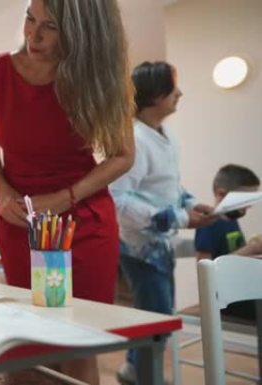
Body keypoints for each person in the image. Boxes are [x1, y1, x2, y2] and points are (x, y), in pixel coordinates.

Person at [0, 0, 135, 382]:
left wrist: (65, 197)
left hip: (83, 222)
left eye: (51, 27)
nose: (33, 35)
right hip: (21, 222)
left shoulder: (98, 76)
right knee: (28, 343)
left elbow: (123, 155)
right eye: (30, 20)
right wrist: (2, 193)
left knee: (77, 344)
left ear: (82, 34)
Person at [110, 61, 216, 385]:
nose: (179, 94)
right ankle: (146, 377)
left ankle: (135, 370)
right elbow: (119, 201)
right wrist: (182, 217)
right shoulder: (134, 139)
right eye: (173, 89)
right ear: (156, 95)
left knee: (157, 315)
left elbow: (168, 187)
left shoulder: (167, 137)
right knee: (155, 319)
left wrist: (189, 202)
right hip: (140, 248)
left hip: (161, 245)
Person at [195, 164, 261, 321]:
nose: (250, 205)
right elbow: (205, 272)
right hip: (226, 300)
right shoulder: (208, 225)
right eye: (246, 200)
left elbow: (237, 258)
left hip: (239, 290)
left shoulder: (231, 221)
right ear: (221, 194)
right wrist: (251, 248)